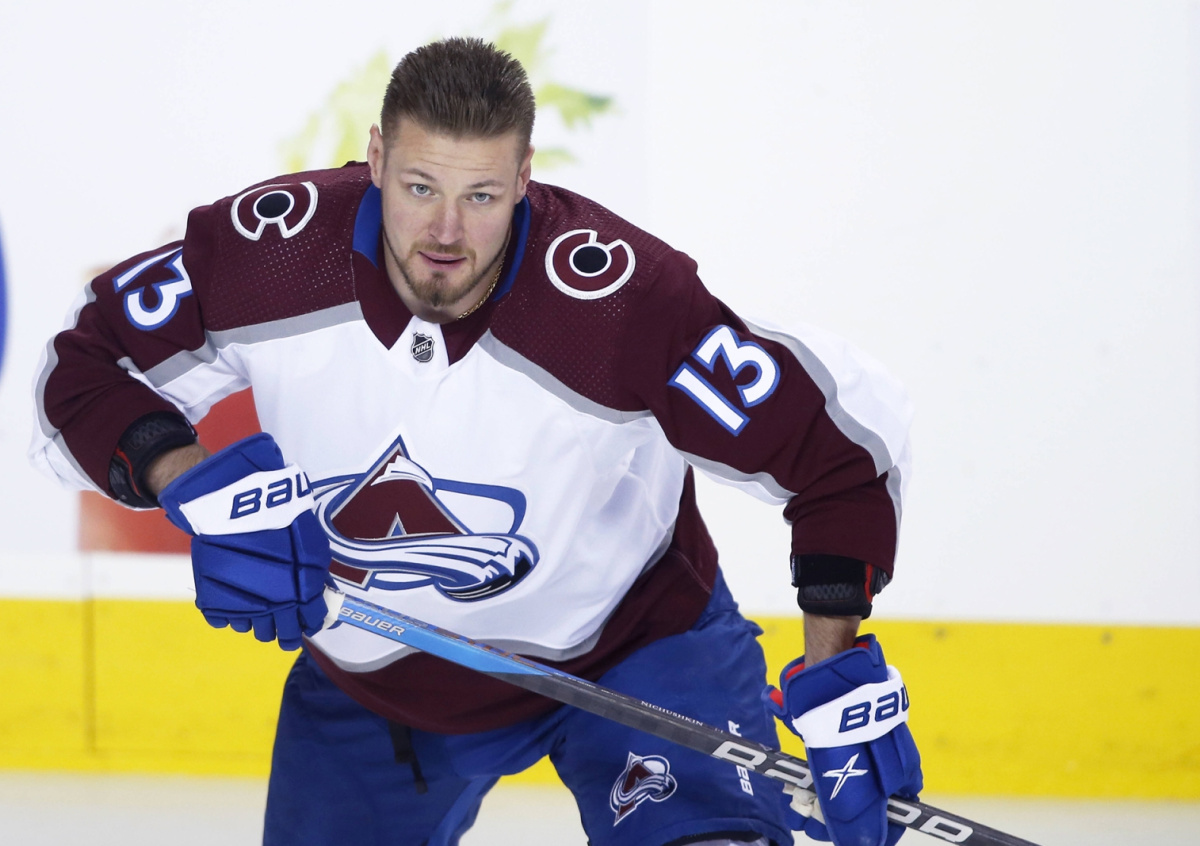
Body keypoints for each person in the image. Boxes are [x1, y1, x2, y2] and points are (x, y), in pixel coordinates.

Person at [31, 37, 921, 846]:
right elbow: (83, 365)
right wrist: (193, 481)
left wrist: (835, 667)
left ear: (526, 176)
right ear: (376, 158)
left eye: (482, 196)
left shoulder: (623, 302)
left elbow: (835, 456)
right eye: (420, 188)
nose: (446, 235)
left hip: (635, 654)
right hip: (374, 685)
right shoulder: (267, 252)